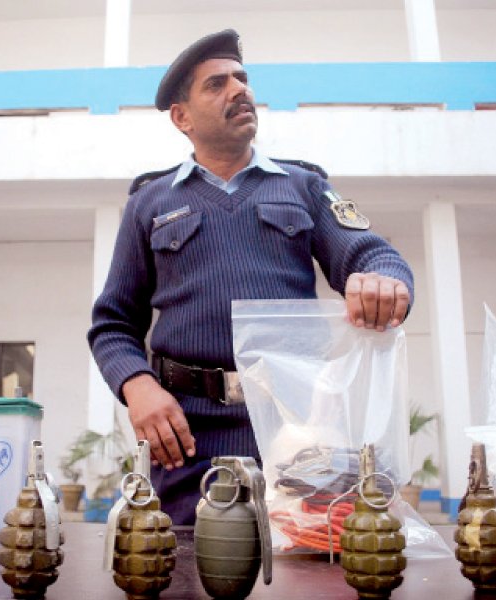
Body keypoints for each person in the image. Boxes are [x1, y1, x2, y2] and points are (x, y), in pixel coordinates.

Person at [87, 29, 414, 524]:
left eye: (242, 79)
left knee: (301, 573)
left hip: (299, 433)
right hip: (187, 438)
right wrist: (138, 386)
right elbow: (112, 323)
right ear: (182, 117)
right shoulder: (150, 203)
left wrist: (383, 279)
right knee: (185, 574)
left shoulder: (305, 186)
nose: (239, 90)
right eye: (216, 84)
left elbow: (372, 254)